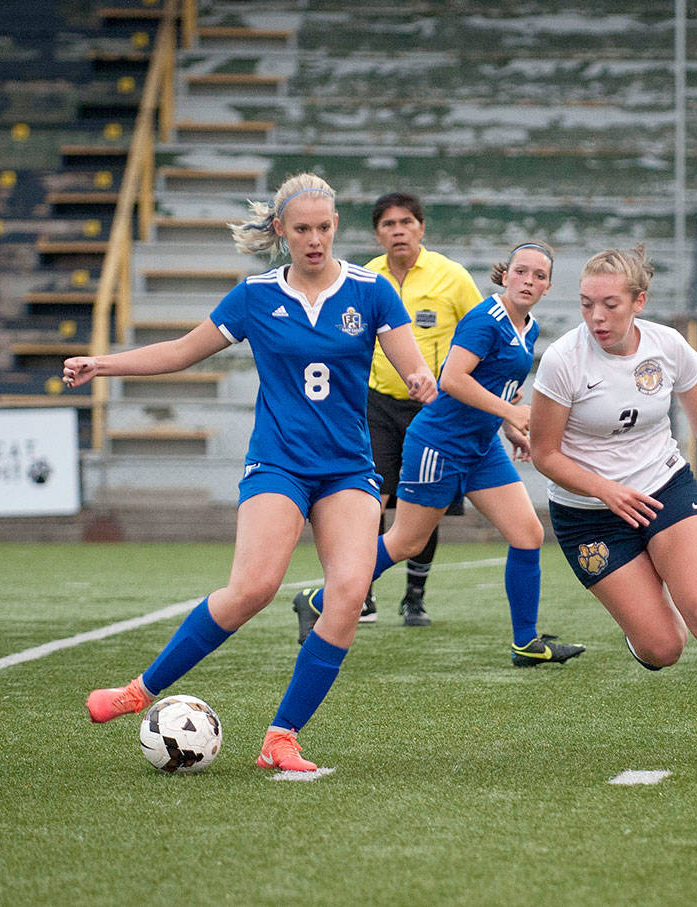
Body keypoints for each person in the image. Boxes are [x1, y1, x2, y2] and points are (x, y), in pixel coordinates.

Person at [64, 173, 437, 773]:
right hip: (280, 463)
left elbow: (413, 366)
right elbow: (183, 351)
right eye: (302, 230)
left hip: (347, 468)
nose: (314, 240)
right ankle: (140, 690)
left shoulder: (371, 291)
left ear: (335, 227)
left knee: (347, 592)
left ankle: (282, 736)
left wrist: (422, 381)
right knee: (254, 588)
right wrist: (101, 364)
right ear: (282, 232)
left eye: (324, 227)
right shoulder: (255, 296)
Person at [528, 245, 697, 760]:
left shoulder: (668, 347)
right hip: (589, 518)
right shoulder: (563, 360)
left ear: (639, 302)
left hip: (663, 489)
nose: (596, 317)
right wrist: (604, 488)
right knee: (663, 648)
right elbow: (543, 454)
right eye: (586, 304)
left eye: (609, 304)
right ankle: (646, 628)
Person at [293, 242, 586, 667]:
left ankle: (526, 642)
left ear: (548, 286)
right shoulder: (486, 320)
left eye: (539, 276)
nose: (529, 281)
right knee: (406, 541)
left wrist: (508, 426)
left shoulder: (530, 327)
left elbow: (499, 384)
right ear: (505, 275)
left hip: (481, 448)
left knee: (528, 535)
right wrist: (513, 414)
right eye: (521, 271)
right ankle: (317, 598)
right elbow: (452, 379)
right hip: (438, 445)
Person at [349, 192, 484, 628]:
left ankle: (414, 597)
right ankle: (363, 593)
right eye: (389, 224)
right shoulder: (362, 279)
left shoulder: (453, 277)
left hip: (435, 411)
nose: (398, 230)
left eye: (407, 222)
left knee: (423, 502)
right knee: (372, 500)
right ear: (377, 234)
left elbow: (481, 330)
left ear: (421, 228)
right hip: (376, 405)